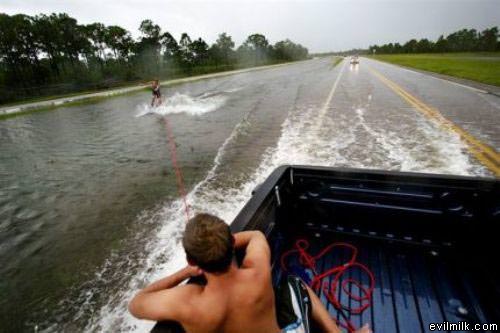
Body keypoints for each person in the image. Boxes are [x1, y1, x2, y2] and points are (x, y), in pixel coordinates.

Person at [129, 213, 371, 333]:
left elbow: (136, 304)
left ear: (193, 260)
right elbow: (256, 235)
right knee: (295, 283)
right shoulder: (257, 270)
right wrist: (222, 242)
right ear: (231, 245)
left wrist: (183, 273)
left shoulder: (187, 302)